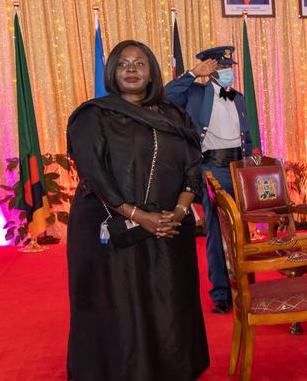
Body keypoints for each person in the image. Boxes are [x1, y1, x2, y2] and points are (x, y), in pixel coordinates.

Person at [66, 40, 209, 380]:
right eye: (123, 64)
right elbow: (94, 174)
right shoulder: (93, 115)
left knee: (167, 301)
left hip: (169, 228)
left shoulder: (173, 114)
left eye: (140, 64)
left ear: (152, 73)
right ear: (112, 72)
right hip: (111, 227)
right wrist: (138, 215)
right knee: (122, 304)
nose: (132, 69)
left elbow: (193, 164)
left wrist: (178, 211)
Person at [165, 46, 253, 314]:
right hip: (213, 168)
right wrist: (193, 73)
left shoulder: (237, 98)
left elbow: (246, 134)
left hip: (239, 167)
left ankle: (248, 285)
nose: (228, 72)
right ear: (209, 69)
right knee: (217, 229)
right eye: (221, 67)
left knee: (243, 229)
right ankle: (221, 293)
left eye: (229, 67)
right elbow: (166, 95)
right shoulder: (195, 93)